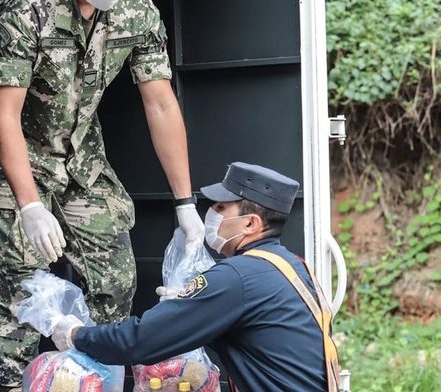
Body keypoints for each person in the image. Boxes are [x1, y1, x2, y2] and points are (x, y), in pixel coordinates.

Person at [0, 0, 204, 389]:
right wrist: (29, 205)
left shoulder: (138, 11)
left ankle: (96, 380)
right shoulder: (28, 11)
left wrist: (185, 202)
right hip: (16, 161)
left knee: (115, 279)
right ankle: (14, 383)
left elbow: (161, 103)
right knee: (22, 287)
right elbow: (4, 114)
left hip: (82, 162)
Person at [52, 162, 341, 392]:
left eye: (221, 207)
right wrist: (189, 305)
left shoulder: (238, 276)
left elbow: (141, 341)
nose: (211, 213)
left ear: (251, 223)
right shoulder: (294, 267)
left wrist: (77, 334)